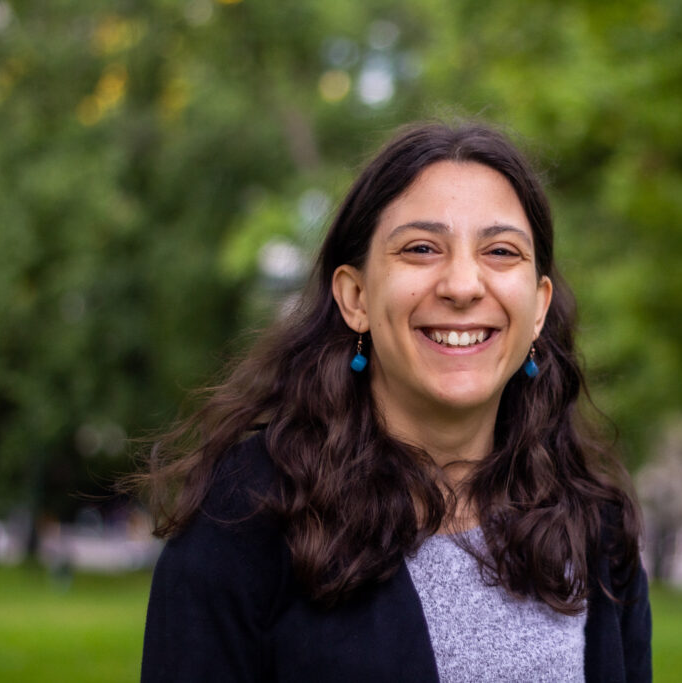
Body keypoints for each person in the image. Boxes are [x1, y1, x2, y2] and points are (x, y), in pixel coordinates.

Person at [136, 121, 651, 682]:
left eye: (501, 251)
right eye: (422, 248)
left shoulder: (594, 527)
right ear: (355, 297)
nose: (462, 285)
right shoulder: (244, 519)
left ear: (538, 307)